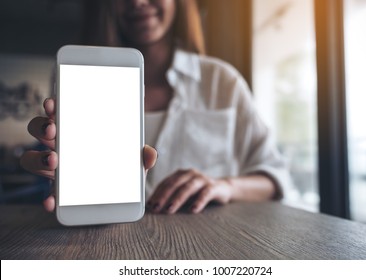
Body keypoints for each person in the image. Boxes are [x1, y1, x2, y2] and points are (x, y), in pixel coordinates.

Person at [21, 0, 291, 214]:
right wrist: (56, 165)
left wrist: (224, 186)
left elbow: (275, 177)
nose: (137, 2)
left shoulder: (221, 81)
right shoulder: (79, 79)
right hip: (103, 240)